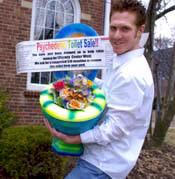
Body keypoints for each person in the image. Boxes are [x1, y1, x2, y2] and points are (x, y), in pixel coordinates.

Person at [43, 0, 154, 178]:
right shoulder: (122, 61)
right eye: (113, 28)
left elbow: (115, 128)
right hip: (98, 160)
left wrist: (74, 139)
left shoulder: (131, 74)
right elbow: (110, 90)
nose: (116, 35)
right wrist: (78, 80)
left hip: (104, 164)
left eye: (125, 29)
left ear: (140, 31)